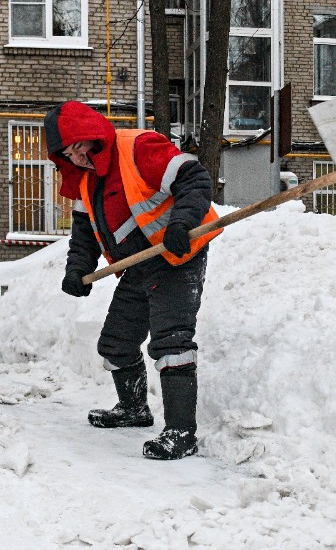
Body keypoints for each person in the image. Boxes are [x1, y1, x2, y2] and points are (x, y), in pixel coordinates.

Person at [44, 101, 222, 460]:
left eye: (79, 147)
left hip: (178, 254)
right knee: (116, 343)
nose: (77, 158)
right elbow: (84, 233)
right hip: (141, 264)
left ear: (92, 136)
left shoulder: (138, 147)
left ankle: (181, 432)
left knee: (171, 341)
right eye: (68, 154)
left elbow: (194, 178)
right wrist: (76, 270)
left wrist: (181, 224)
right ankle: (134, 409)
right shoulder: (86, 181)